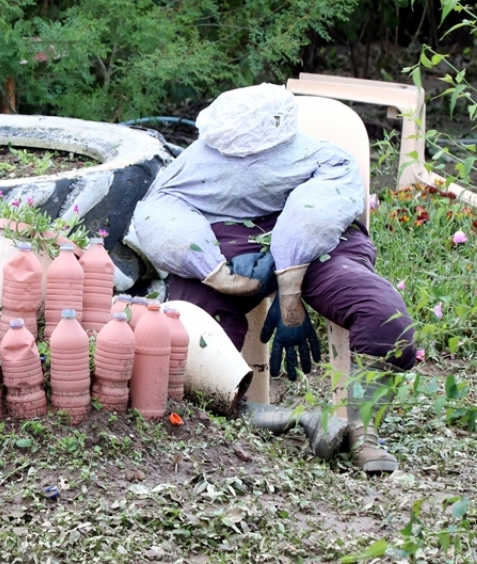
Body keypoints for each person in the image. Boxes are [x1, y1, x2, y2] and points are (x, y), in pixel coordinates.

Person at [130, 83, 416, 474]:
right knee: (190, 339)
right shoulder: (188, 172)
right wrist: (221, 276)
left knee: (384, 316)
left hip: (324, 245)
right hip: (226, 247)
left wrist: (289, 289)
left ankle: (363, 429)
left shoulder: (326, 161)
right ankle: (276, 417)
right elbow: (160, 219)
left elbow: (314, 216)